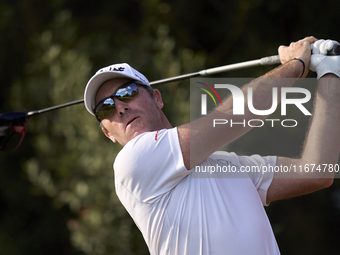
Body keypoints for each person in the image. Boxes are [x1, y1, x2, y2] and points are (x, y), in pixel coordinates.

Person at [84, 37, 340, 255]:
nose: (119, 106)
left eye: (127, 92)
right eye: (105, 107)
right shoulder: (132, 163)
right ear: (108, 134)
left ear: (157, 97)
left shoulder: (224, 164)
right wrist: (297, 64)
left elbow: (317, 171)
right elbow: (234, 117)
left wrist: (331, 71)